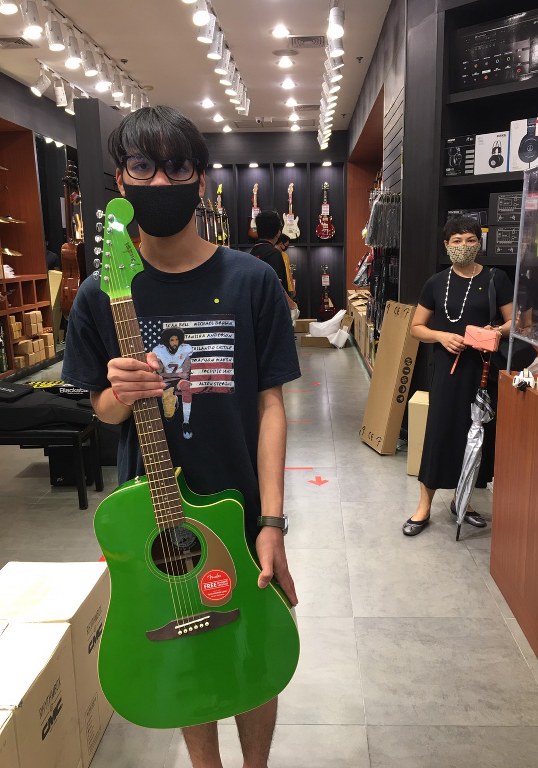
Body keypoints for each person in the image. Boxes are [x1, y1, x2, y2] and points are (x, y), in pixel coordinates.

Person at [62, 105, 300, 768]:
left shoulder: (251, 281)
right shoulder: (101, 296)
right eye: (143, 167)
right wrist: (118, 393)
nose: (160, 182)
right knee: (182, 637)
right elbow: (103, 413)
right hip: (154, 515)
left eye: (177, 166)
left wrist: (272, 521)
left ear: (200, 179)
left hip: (239, 503)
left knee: (253, 647)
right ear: (120, 180)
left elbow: (271, 406)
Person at [403, 215, 513, 536]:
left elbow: (514, 321)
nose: (463, 245)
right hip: (447, 370)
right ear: (446, 245)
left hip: (482, 371)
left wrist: (495, 331)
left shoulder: (496, 278)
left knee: (475, 435)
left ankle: (463, 501)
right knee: (439, 432)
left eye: (470, 240)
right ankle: (424, 505)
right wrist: (441, 336)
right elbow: (416, 327)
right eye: (456, 241)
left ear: (479, 243)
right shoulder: (436, 282)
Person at [251, 211, 298, 315]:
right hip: (273, 312)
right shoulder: (274, 254)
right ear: (278, 233)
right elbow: (277, 286)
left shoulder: (252, 252)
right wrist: (292, 305)